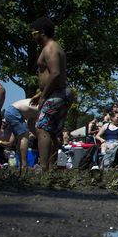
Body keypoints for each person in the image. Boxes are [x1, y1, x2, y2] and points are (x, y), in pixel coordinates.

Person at [30, 16, 70, 171]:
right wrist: (40, 92)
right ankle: (53, 166)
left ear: (42, 32)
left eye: (34, 33)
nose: (33, 37)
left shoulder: (50, 48)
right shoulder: (50, 48)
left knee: (42, 128)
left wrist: (44, 95)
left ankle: (44, 166)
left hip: (56, 93)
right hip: (56, 92)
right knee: (52, 132)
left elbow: (55, 73)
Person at [3, 95, 39, 170]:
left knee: (20, 138)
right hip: (14, 112)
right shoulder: (41, 108)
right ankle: (24, 165)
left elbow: (30, 124)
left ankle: (20, 164)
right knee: (24, 137)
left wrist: (37, 135)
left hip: (10, 111)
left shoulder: (33, 107)